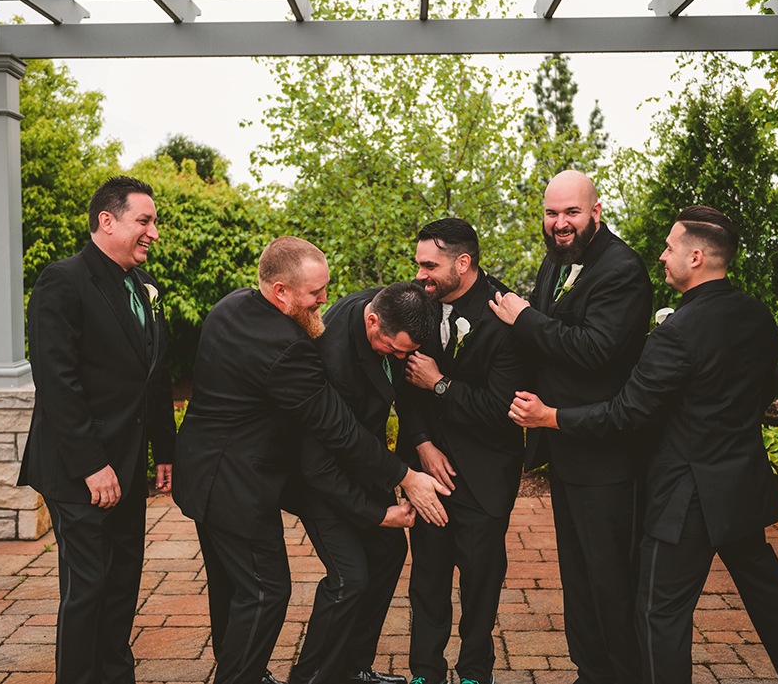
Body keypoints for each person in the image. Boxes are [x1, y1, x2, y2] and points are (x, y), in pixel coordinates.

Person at [510, 206, 778, 684]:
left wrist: (550, 416)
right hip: (741, 486)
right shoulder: (757, 316)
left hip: (685, 499)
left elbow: (627, 414)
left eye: (670, 247)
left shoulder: (676, 332)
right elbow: (765, 393)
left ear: (696, 257)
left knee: (659, 614)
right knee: (771, 599)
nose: (661, 255)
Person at [173, 237, 450, 684]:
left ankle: (268, 669)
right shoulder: (291, 348)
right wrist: (403, 478)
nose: (326, 299)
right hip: (236, 483)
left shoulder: (232, 305)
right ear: (280, 291)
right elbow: (336, 430)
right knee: (265, 592)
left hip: (204, 468)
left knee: (234, 587)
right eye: (314, 293)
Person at [490, 170, 651, 684]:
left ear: (596, 212)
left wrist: (524, 320)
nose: (560, 223)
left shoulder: (622, 269)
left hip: (605, 452)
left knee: (610, 578)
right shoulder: (557, 261)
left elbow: (596, 350)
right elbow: (544, 337)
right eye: (551, 213)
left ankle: (624, 674)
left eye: (572, 212)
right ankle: (591, 671)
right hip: (563, 447)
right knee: (578, 575)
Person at [18, 175, 176, 684]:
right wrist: (92, 465)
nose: (154, 232)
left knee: (124, 578)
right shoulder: (62, 281)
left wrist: (164, 452)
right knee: (88, 584)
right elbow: (57, 381)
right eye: (144, 221)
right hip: (80, 468)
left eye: (155, 222)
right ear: (107, 221)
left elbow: (154, 375)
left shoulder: (143, 287)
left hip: (129, 464)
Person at [397, 218, 526, 684]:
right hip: (430, 474)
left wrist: (441, 383)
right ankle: (424, 673)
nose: (420, 275)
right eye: (418, 264)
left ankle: (475, 672)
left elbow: (501, 407)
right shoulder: (421, 306)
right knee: (426, 582)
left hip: (486, 474)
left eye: (429, 265)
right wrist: (423, 445)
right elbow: (405, 390)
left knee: (480, 585)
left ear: (463, 262)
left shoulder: (505, 315)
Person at [287, 282, 435, 684]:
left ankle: (352, 668)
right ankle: (310, 678)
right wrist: (378, 511)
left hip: (361, 461)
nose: (405, 359)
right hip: (318, 476)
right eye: (396, 349)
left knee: (387, 553)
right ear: (372, 322)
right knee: (349, 578)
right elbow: (319, 463)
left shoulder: (387, 306)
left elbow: (393, 394)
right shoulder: (332, 359)